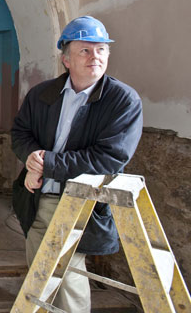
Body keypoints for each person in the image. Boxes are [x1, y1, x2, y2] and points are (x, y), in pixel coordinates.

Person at [11, 16, 143, 312]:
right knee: (38, 278)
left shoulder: (123, 101)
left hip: (81, 202)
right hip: (38, 199)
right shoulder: (42, 94)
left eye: (101, 50)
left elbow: (109, 158)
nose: (94, 56)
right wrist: (32, 158)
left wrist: (46, 164)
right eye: (84, 50)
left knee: (69, 283)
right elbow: (20, 133)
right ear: (66, 59)